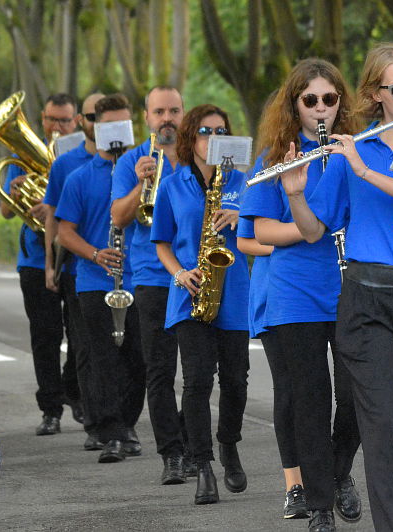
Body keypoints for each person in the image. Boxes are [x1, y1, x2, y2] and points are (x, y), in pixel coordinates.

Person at [279, 43, 393, 531]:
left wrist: (364, 170)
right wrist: (295, 194)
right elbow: (314, 230)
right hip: (365, 298)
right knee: (379, 427)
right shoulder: (350, 149)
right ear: (376, 95)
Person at [242, 59, 363, 531]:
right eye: (309, 99)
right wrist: (308, 228)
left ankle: (339, 475)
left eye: (329, 99)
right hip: (294, 292)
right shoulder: (275, 157)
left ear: (340, 103)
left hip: (351, 287)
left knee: (355, 399)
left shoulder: (355, 153)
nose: (320, 108)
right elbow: (261, 230)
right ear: (294, 104)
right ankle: (318, 507)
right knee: (310, 400)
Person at [151, 104, 250, 506]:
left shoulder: (242, 181)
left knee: (237, 381)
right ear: (191, 138)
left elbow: (261, 232)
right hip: (189, 293)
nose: (214, 137)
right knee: (196, 382)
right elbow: (161, 242)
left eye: (221, 131)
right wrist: (179, 273)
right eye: (206, 131)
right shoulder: (172, 185)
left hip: (236, 290)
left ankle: (228, 443)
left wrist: (242, 218)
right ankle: (203, 466)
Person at [56, 93, 146, 463]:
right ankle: (109, 431)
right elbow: (65, 231)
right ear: (96, 127)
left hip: (137, 279)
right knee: (101, 359)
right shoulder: (79, 177)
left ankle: (128, 424)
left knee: (137, 359)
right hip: (94, 281)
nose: (118, 133)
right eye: (110, 125)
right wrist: (95, 253)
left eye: (125, 125)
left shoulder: (145, 170)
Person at [110, 86, 190, 484]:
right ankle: (171, 455)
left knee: (197, 372)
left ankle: (192, 445)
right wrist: (138, 183)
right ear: (146, 117)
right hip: (152, 276)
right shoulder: (130, 160)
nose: (167, 119)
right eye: (159, 111)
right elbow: (119, 218)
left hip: (194, 275)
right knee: (159, 370)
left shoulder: (198, 154)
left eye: (174, 110)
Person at [2, 93, 83, 436]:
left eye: (65, 120)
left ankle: (74, 391)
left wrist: (51, 204)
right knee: (44, 337)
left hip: (77, 256)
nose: (57, 126)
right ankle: (50, 408)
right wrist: (20, 193)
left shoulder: (83, 158)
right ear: (42, 118)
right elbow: (6, 210)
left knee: (81, 334)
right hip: (35, 258)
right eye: (51, 119)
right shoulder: (21, 159)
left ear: (77, 122)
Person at [42, 92, 104, 449]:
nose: (98, 123)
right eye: (93, 116)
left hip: (126, 271)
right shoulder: (66, 163)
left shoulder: (132, 161)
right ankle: (95, 419)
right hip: (78, 268)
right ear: (82, 120)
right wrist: (51, 264)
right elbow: (54, 216)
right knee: (83, 345)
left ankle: (116, 415)